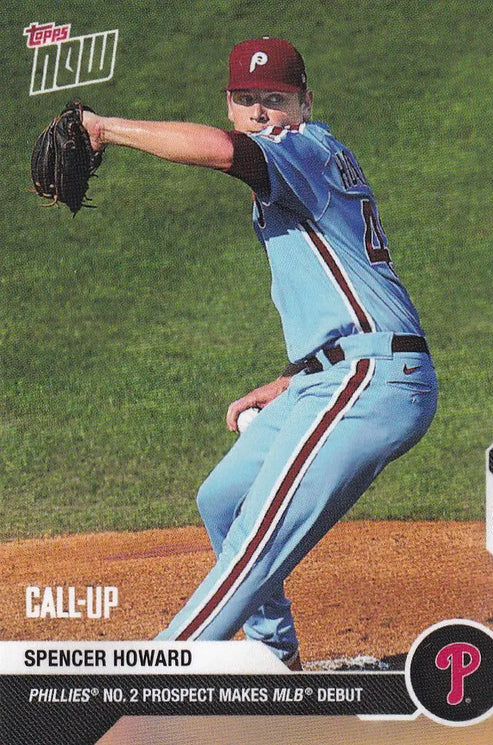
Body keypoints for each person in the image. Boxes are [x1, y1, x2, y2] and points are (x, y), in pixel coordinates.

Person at [83, 37, 438, 670]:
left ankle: (151, 679)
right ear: (229, 102)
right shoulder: (308, 163)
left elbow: (225, 152)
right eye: (246, 101)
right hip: (332, 374)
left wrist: (104, 127)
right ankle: (275, 657)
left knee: (257, 543)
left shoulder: (301, 149)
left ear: (305, 102)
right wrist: (289, 379)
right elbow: (346, 291)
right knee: (223, 499)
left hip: (372, 381)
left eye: (275, 100)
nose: (260, 114)